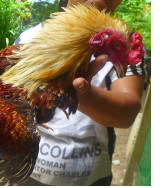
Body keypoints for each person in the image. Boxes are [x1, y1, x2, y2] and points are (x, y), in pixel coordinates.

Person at [17, 0, 145, 185]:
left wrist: (83, 95)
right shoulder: (31, 37)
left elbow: (127, 112)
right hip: (29, 169)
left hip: (90, 176)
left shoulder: (123, 44)